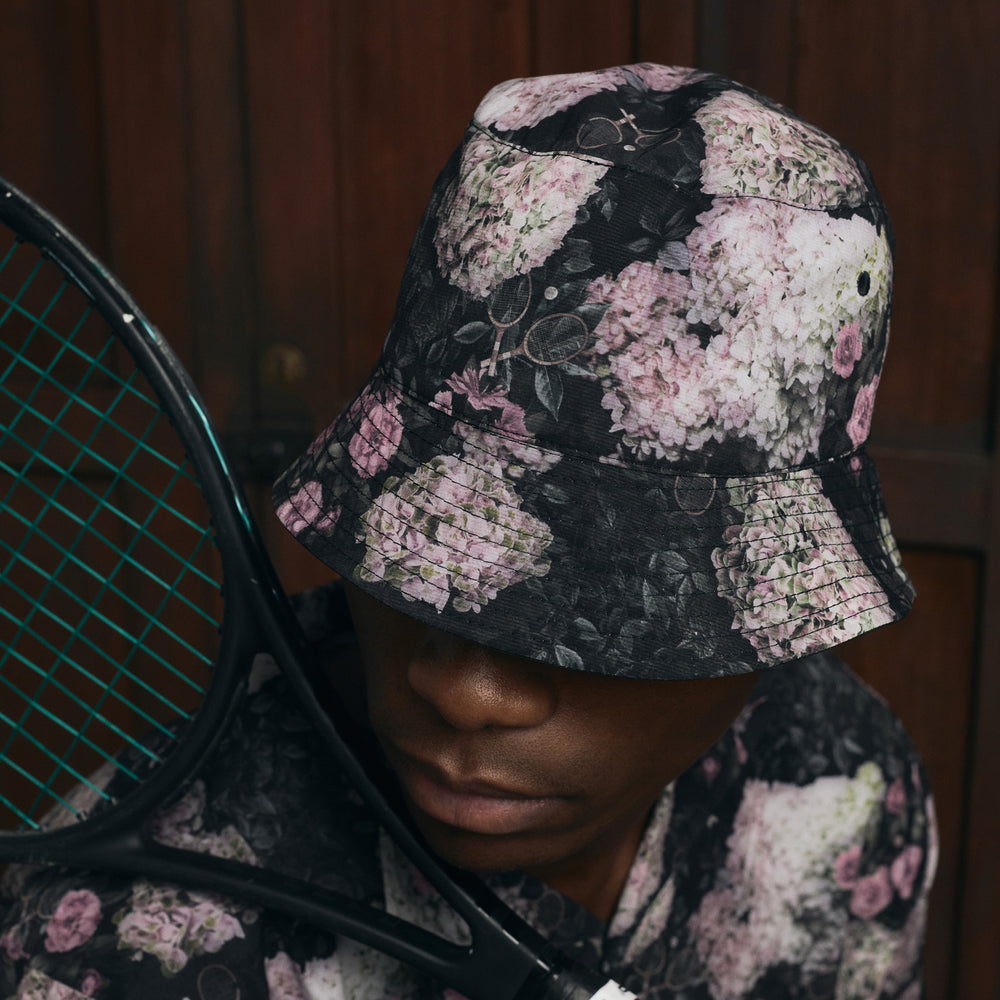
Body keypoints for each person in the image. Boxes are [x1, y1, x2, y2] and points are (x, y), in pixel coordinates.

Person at [0, 64, 935, 1000]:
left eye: (606, 606)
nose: (462, 691)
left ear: (770, 628)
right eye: (423, 550)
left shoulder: (843, 785)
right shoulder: (108, 947)